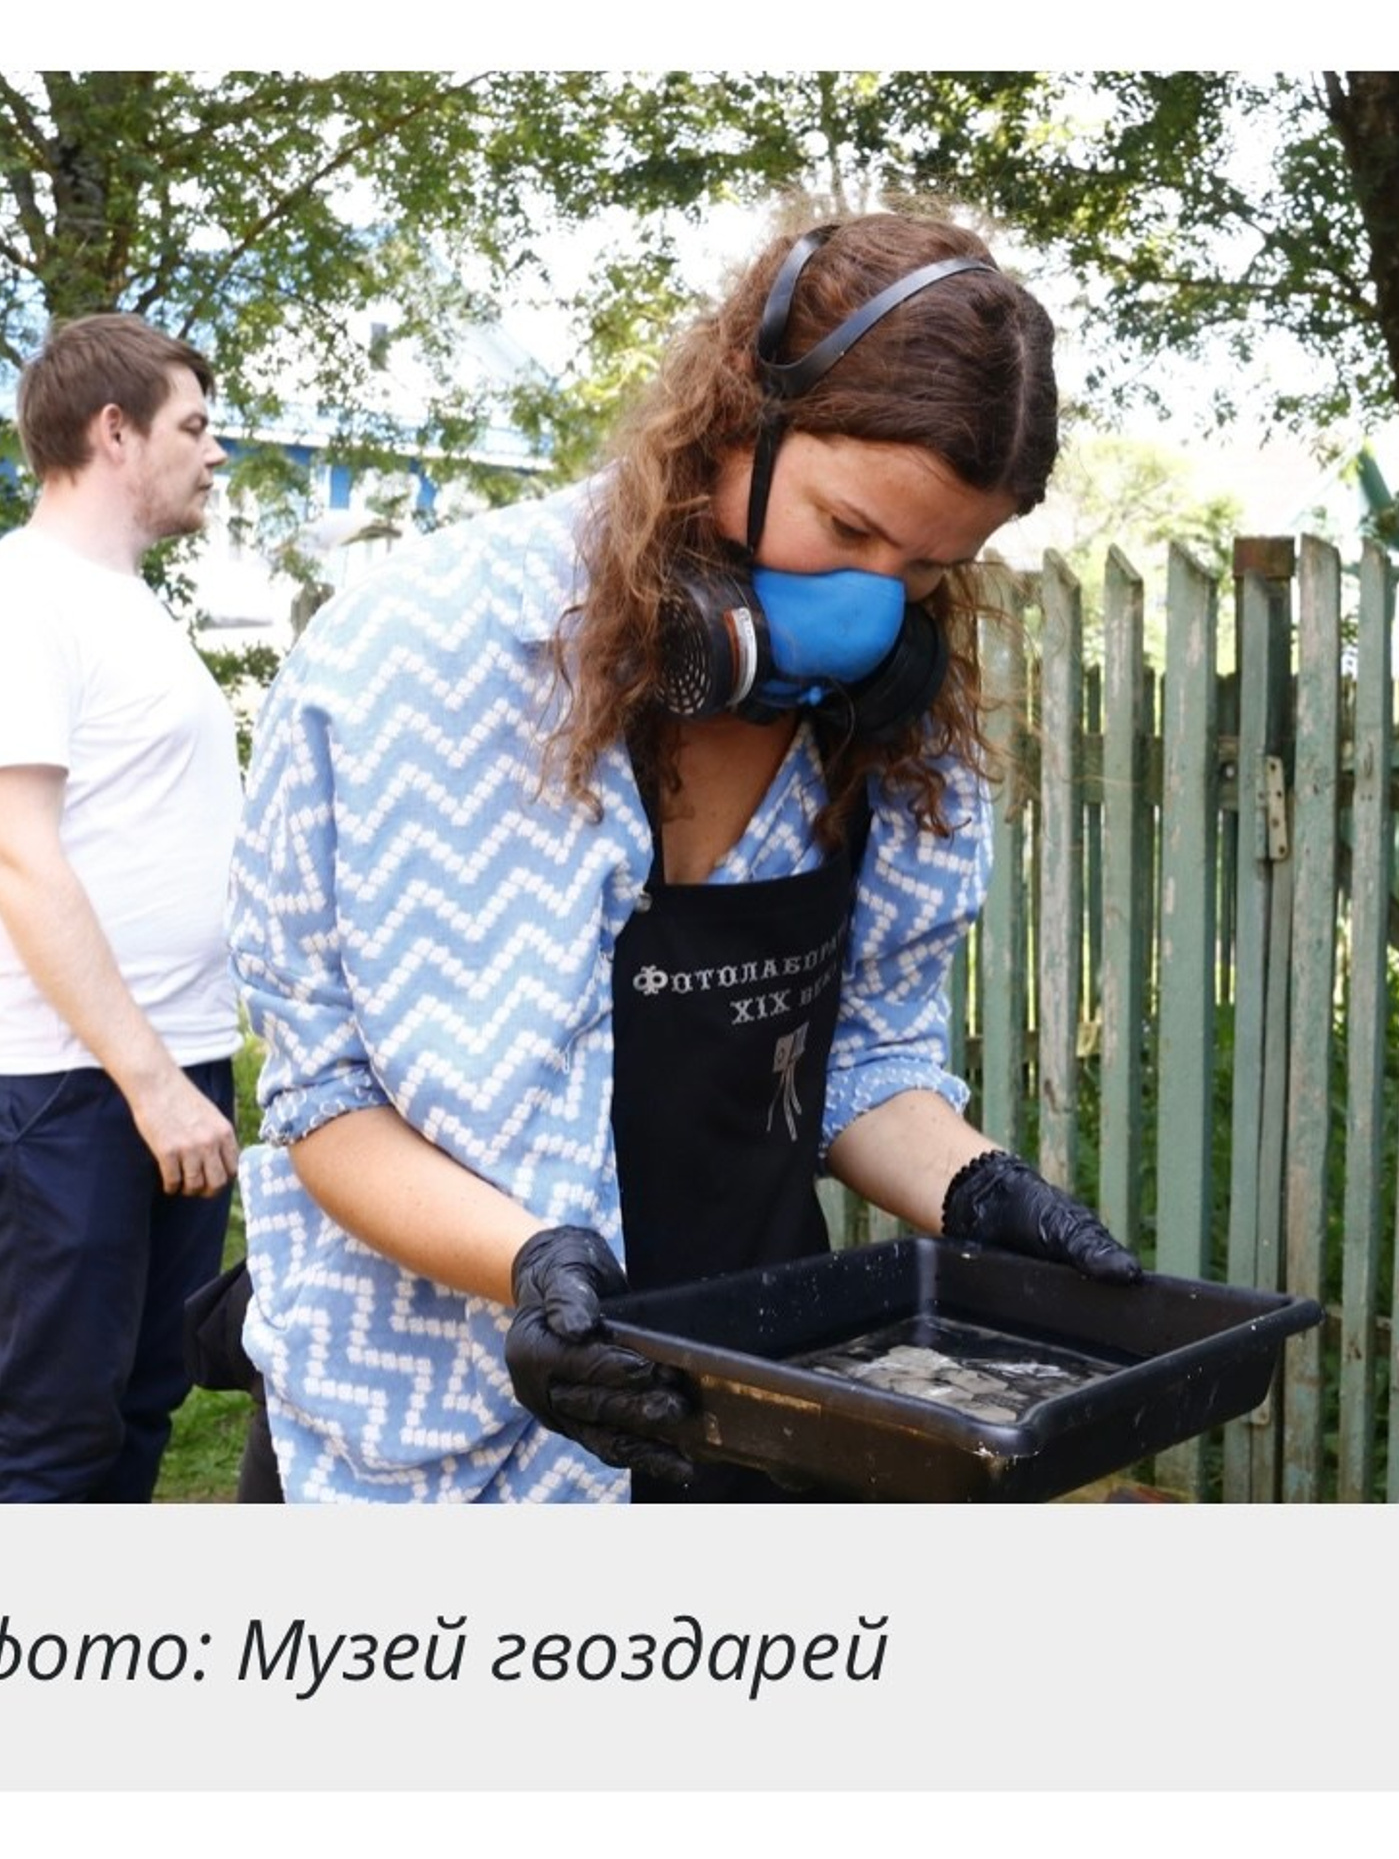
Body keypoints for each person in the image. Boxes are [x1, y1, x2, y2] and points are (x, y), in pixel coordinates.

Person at [229, 211, 1139, 1504]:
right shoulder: (409, 663)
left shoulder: (900, 742)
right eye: (849, 530)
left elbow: (861, 1061)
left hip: (748, 1407)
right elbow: (325, 1102)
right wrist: (531, 1266)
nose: (881, 606)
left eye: (934, 567)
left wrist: (979, 1189)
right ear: (737, 417)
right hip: (424, 1450)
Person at [0, 312, 240, 1502]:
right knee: (49, 1440)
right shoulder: (22, 596)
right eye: (193, 426)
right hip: (71, 1088)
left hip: (174, 1071)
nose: (214, 451)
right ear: (113, 430)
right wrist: (149, 1086)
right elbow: (18, 859)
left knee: (143, 1406)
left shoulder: (132, 608)